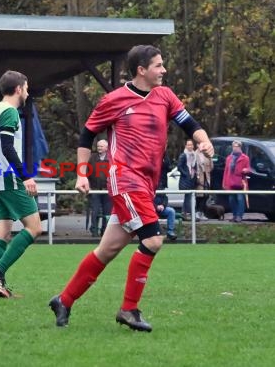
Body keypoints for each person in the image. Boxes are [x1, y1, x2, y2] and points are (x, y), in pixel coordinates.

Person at [48, 45, 214, 331]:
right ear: (142, 70)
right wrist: (82, 174)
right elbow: (87, 135)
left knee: (108, 249)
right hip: (124, 179)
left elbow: (190, 124)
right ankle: (129, 310)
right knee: (152, 240)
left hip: (146, 185)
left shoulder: (165, 96)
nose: (164, 70)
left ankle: (64, 300)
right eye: (158, 66)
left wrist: (204, 140)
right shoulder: (115, 100)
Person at [0, 70, 42, 299]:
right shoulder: (10, 112)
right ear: (18, 89)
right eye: (26, 88)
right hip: (8, 177)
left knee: (2, 232)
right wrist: (25, 175)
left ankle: (0, 288)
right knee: (35, 227)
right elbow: (8, 147)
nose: (27, 92)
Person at [88, 139, 112, 237]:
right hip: (95, 189)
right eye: (98, 146)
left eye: (101, 146)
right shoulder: (92, 158)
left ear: (106, 148)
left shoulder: (112, 158)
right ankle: (94, 231)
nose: (99, 148)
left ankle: (105, 231)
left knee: (107, 213)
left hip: (108, 190)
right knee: (95, 211)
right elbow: (86, 173)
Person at [222, 140, 250, 223]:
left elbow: (249, 169)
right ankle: (234, 215)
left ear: (240, 147)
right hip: (230, 182)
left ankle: (239, 216)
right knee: (231, 199)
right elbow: (226, 171)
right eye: (234, 146)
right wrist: (224, 182)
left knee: (240, 199)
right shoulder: (229, 158)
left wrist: (245, 170)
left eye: (237, 146)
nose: (235, 148)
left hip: (240, 182)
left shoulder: (245, 158)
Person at [178, 139, 196, 220]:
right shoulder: (183, 155)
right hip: (185, 180)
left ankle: (184, 213)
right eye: (188, 145)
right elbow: (179, 167)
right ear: (186, 146)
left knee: (188, 197)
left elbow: (194, 166)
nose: (190, 146)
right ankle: (189, 214)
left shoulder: (194, 155)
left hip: (191, 179)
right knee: (188, 197)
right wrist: (186, 174)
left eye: (191, 145)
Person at [194, 145, 213, 220]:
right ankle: (197, 212)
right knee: (199, 196)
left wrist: (207, 170)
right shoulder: (195, 154)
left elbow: (211, 166)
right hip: (198, 178)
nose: (201, 146)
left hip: (206, 177)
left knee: (206, 196)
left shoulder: (207, 154)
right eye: (199, 145)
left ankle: (201, 213)